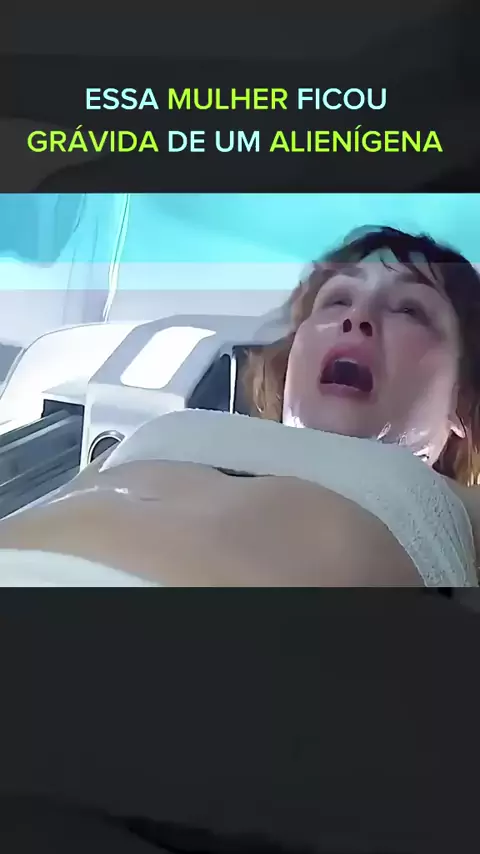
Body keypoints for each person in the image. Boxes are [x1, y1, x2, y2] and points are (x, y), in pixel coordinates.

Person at [0, 225, 479, 587]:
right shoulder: (178, 428)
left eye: (410, 309)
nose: (357, 317)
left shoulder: (454, 509)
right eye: (336, 301)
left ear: (463, 399)